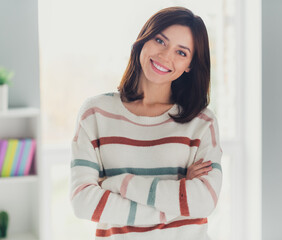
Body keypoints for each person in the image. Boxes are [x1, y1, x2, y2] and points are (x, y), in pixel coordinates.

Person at [70, 6, 222, 240]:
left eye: (181, 53)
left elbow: (204, 201)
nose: (165, 55)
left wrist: (116, 184)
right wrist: (178, 201)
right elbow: (82, 203)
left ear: (189, 65)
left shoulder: (202, 122)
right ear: (143, 39)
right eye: (160, 40)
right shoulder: (96, 114)